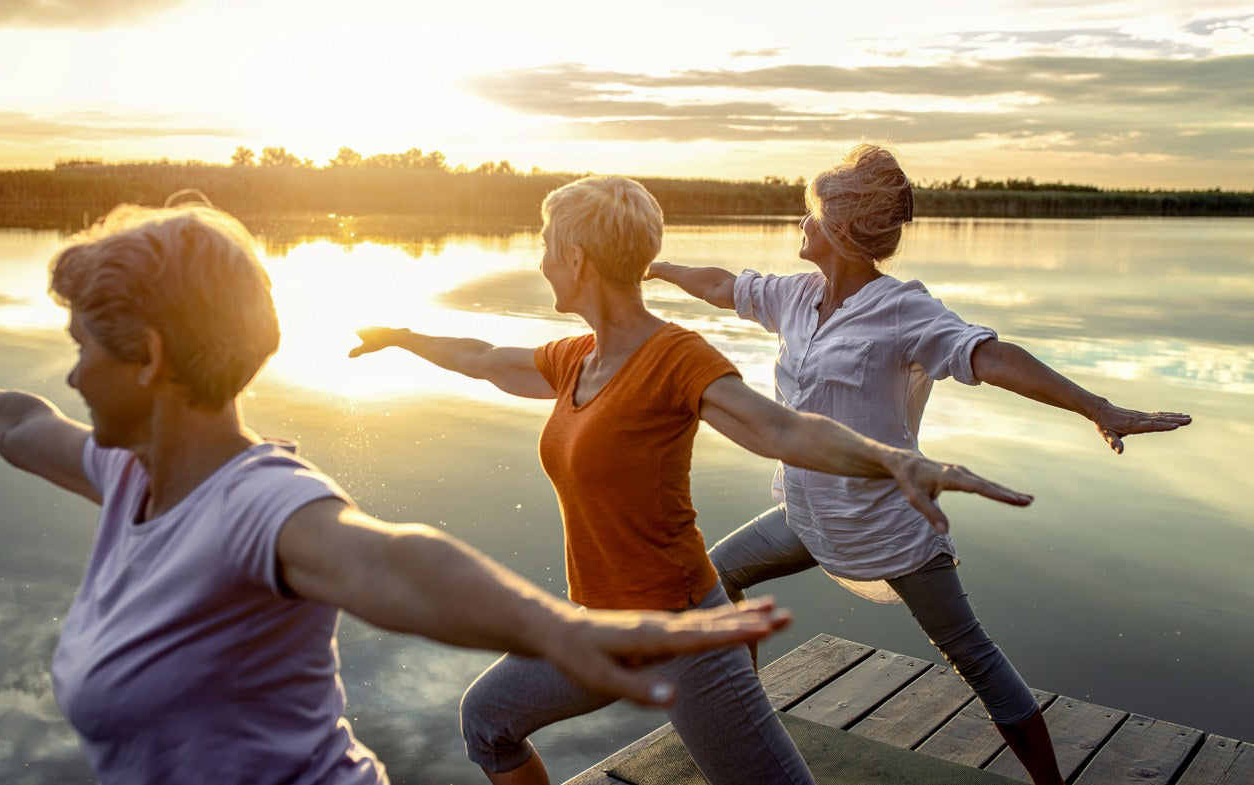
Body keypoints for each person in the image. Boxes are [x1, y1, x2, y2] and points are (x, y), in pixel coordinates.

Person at [0, 203, 807, 785]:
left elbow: (392, 562)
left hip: (675, 617)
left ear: (150, 357)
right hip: (626, 616)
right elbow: (15, 422)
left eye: (83, 348)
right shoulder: (126, 474)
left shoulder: (259, 505)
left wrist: (554, 626)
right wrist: (408, 336)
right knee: (491, 717)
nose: (73, 374)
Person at [349, 175, 1035, 785]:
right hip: (603, 625)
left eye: (546, 245)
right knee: (488, 720)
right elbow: (483, 357)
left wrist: (895, 461)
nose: (539, 260)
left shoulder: (674, 355)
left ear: (577, 259)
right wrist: (404, 336)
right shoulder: (576, 359)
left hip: (683, 631)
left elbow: (782, 429)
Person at [645, 143, 1193, 785]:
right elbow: (720, 285)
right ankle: (745, 731)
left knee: (974, 658)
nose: (800, 225)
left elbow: (990, 356)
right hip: (805, 512)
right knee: (714, 582)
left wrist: (1098, 406)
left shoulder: (903, 309)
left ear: (840, 230)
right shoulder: (794, 297)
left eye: (810, 215)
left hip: (889, 527)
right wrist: (653, 266)